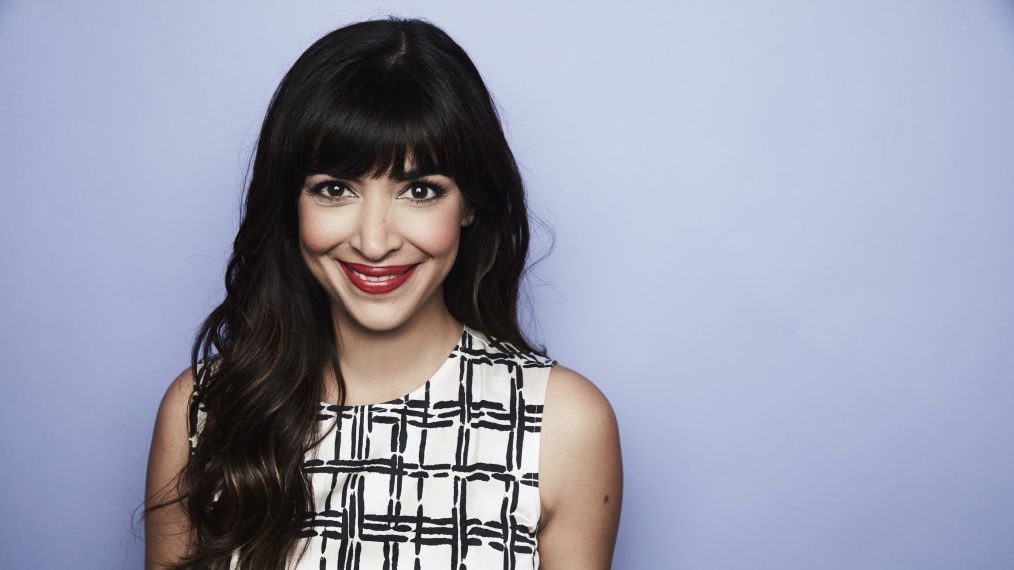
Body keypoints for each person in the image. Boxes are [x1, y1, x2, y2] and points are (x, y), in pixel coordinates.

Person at [144, 16, 622, 570]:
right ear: (291, 203)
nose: (374, 242)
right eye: (334, 189)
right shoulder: (205, 410)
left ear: (469, 204)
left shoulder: (561, 424)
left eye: (419, 190)